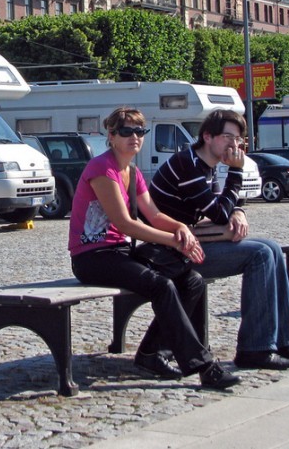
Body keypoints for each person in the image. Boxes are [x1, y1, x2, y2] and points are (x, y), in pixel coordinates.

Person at [69, 106, 240, 390]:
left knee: (192, 281)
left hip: (121, 254)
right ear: (111, 136)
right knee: (161, 285)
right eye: (126, 131)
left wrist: (180, 228)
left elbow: (155, 215)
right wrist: (174, 241)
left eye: (140, 131)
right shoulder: (101, 169)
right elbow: (124, 224)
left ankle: (151, 353)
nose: (134, 137)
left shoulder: (132, 171)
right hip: (93, 257)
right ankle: (203, 366)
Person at [149, 109, 289, 371]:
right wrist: (236, 174)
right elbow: (218, 212)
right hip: (166, 255)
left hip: (187, 245)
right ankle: (254, 349)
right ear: (207, 136)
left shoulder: (206, 166)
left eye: (238, 139)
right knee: (259, 254)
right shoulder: (187, 164)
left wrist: (238, 210)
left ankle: (283, 341)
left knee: (271, 247)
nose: (234, 145)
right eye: (227, 137)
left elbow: (222, 209)